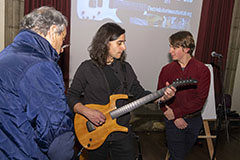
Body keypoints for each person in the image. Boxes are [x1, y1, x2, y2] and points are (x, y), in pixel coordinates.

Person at [67, 22, 175, 160]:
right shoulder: (86, 68)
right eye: (119, 43)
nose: (124, 47)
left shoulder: (125, 68)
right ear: (106, 42)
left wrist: (161, 97)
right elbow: (71, 96)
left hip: (122, 133)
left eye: (124, 43)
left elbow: (139, 93)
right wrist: (85, 111)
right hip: (95, 134)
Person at [0, 6, 75, 160]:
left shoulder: (5, 55)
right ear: (53, 31)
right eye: (63, 39)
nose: (61, 49)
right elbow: (56, 136)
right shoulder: (40, 67)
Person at [157, 31, 210, 160]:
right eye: (170, 47)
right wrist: (174, 117)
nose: (170, 51)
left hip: (193, 121)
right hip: (172, 121)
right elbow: (159, 97)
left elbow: (200, 99)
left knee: (180, 155)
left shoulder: (202, 70)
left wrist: (177, 113)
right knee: (178, 156)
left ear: (186, 49)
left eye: (174, 47)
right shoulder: (166, 70)